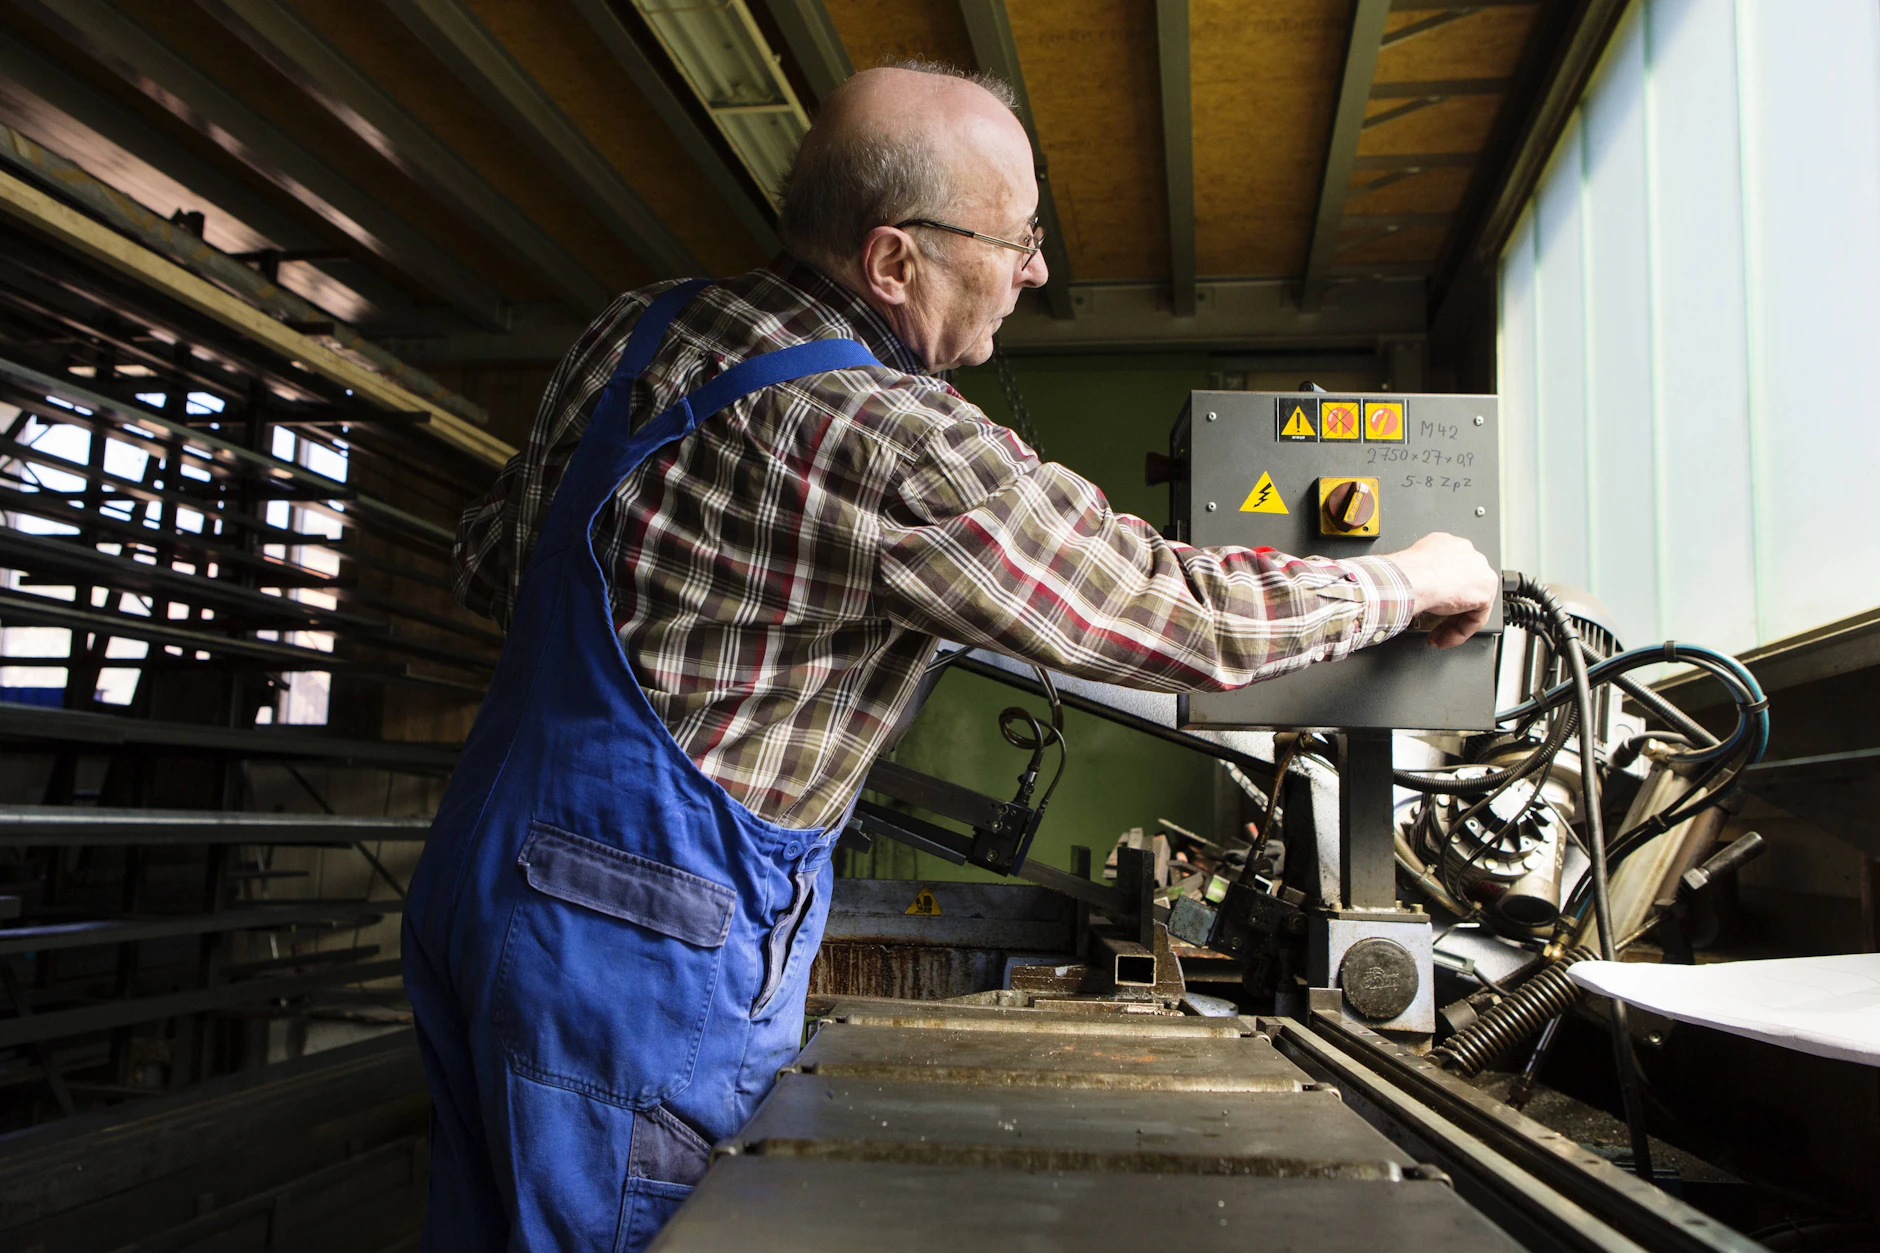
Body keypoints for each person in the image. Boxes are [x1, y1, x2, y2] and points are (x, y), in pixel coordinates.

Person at [401, 61, 1498, 1252]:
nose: (1034, 270)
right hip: (636, 946)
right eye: (1016, 238)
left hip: (475, 879)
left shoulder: (635, 327)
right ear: (892, 262)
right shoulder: (885, 434)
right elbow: (1178, 616)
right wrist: (1411, 578)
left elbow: (489, 561)